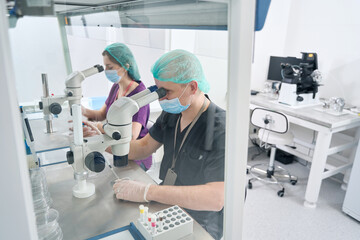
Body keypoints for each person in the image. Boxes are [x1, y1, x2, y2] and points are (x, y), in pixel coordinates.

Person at [113, 49, 226, 240]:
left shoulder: (221, 129)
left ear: (192, 87)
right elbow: (143, 148)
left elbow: (215, 198)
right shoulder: (172, 114)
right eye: (159, 91)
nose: (161, 98)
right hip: (166, 203)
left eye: (167, 92)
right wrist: (104, 143)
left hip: (200, 220)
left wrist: (147, 191)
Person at [82, 43, 152, 171]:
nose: (107, 71)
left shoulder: (139, 95)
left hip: (133, 156)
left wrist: (98, 128)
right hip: (116, 148)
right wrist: (82, 111)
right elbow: (101, 114)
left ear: (125, 66)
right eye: (105, 67)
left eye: (110, 67)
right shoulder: (116, 87)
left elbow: (130, 135)